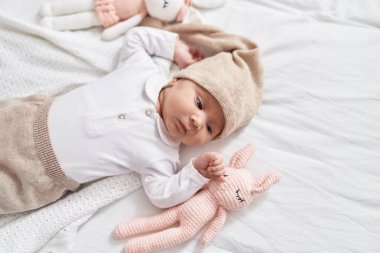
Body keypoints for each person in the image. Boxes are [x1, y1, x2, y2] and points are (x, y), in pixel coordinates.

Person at [0, 24, 263, 214]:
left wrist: (196, 173)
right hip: (28, 118)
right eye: (199, 103)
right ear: (177, 80)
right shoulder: (143, 70)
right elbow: (137, 38)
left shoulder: (162, 155)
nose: (196, 120)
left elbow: (162, 195)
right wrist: (175, 49)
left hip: (37, 177)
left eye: (209, 127)